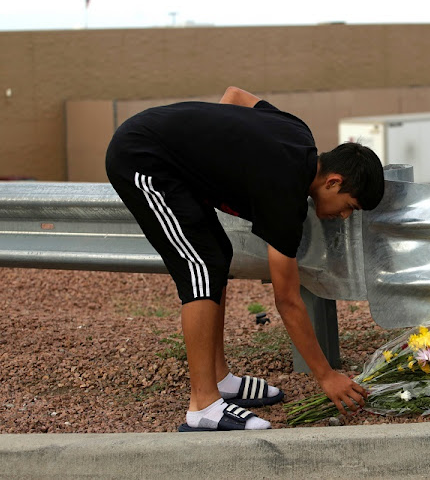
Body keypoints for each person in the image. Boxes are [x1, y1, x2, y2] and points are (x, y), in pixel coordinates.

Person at [105, 86, 385, 431]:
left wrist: (220, 159)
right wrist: (326, 376)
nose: (344, 217)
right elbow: (287, 300)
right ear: (334, 181)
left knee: (217, 256)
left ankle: (219, 379)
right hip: (141, 157)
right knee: (201, 267)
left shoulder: (298, 133)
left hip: (162, 149)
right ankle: (203, 407)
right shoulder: (286, 198)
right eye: (349, 208)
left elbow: (235, 96)